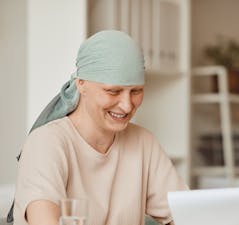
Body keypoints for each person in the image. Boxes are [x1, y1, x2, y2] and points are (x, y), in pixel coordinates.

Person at [11, 30, 187, 225]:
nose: (127, 105)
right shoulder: (46, 143)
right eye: (113, 91)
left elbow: (187, 216)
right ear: (81, 85)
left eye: (136, 91)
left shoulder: (144, 143)